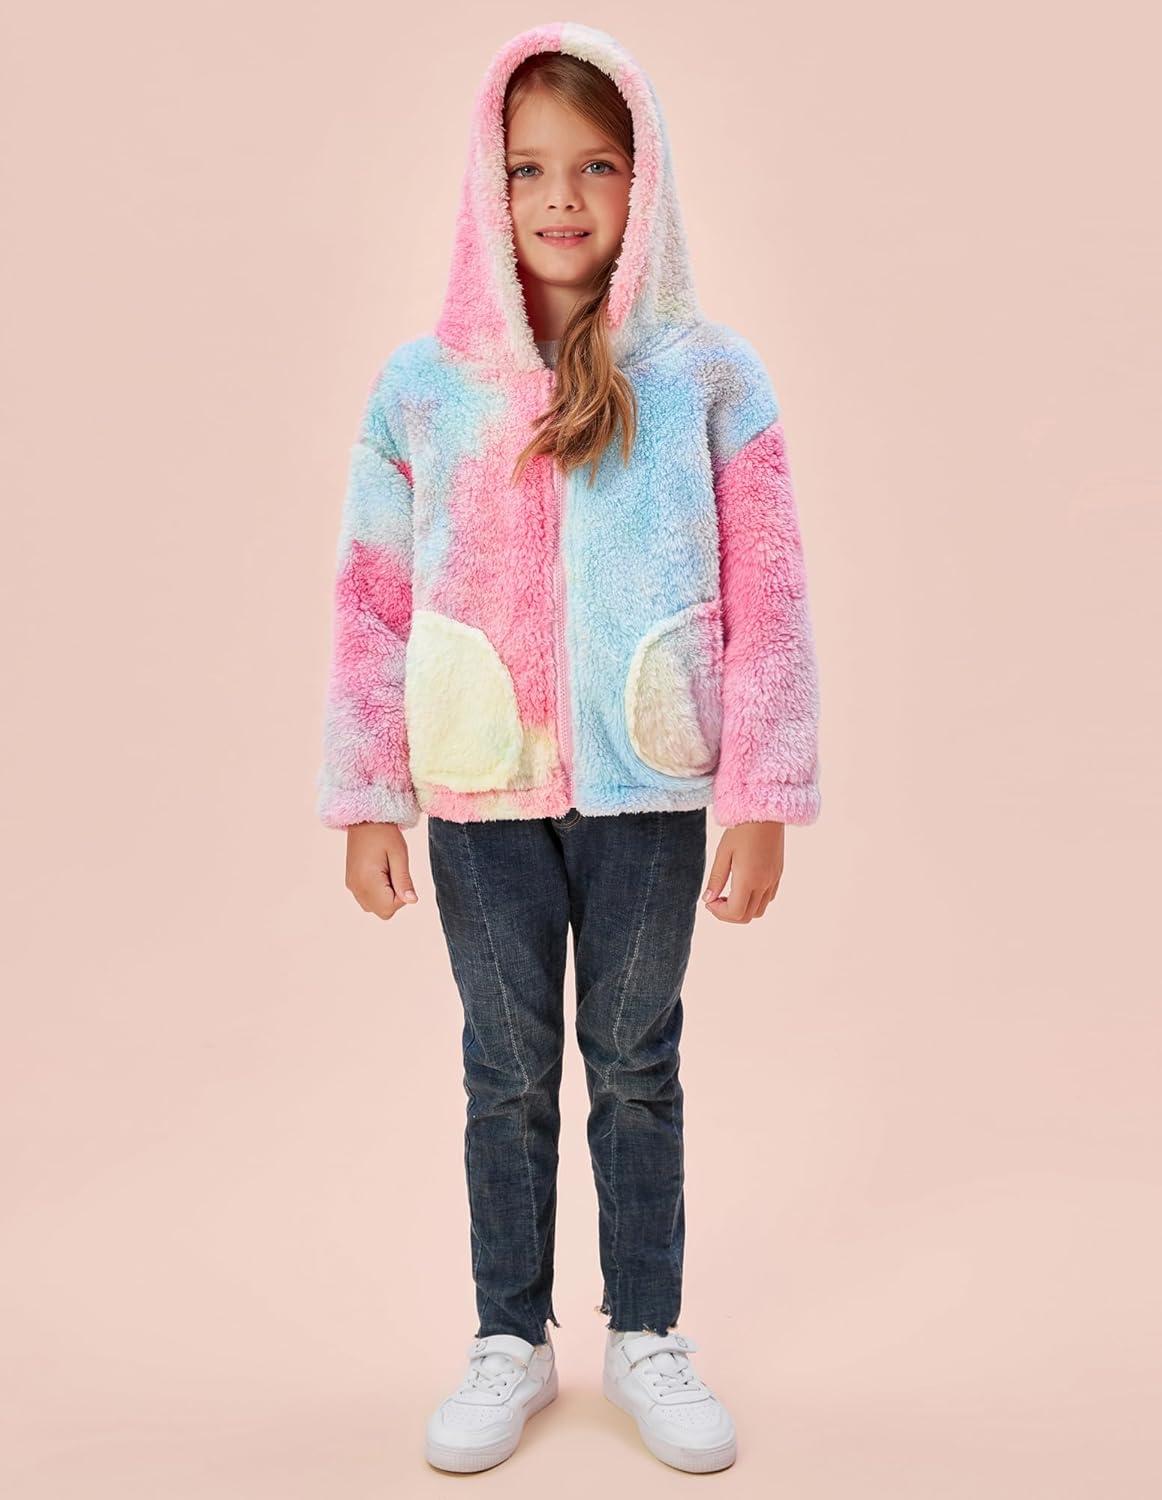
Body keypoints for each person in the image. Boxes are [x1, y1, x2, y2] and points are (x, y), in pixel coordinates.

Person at [315, 21, 821, 1477]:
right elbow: (371, 597)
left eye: (595, 166)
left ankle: (646, 1331)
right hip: (477, 783)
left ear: (642, 183)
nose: (561, 197)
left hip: (650, 781)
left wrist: (762, 794)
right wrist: (367, 796)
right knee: (505, 1068)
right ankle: (510, 1339)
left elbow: (771, 595)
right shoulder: (423, 387)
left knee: (637, 1060)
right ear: (490, 188)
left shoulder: (710, 376)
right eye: (529, 168)